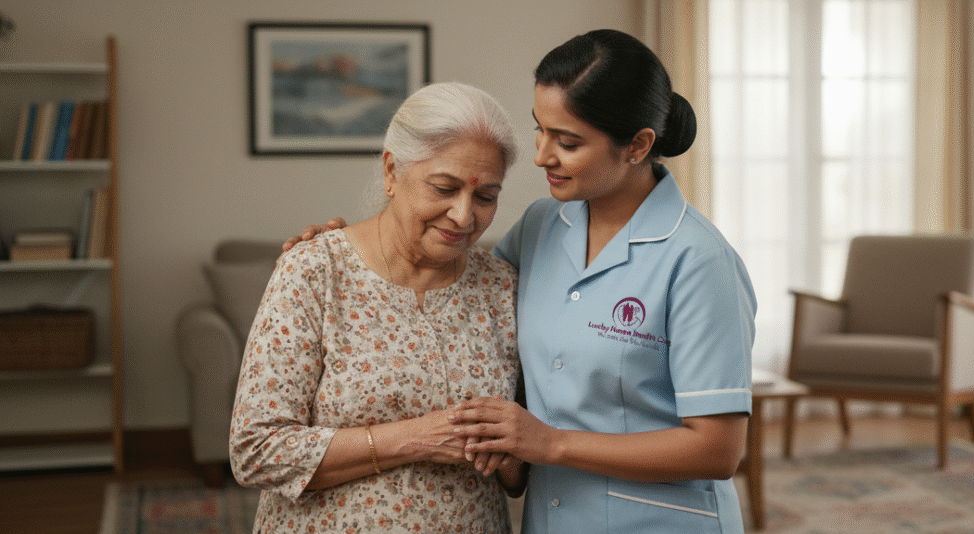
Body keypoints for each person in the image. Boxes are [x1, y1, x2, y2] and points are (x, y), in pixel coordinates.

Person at [285, 29, 756, 533]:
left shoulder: (700, 260)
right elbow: (458, 275)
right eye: (541, 130)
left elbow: (717, 450)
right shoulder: (542, 226)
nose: (541, 156)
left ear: (637, 146)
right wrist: (347, 246)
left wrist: (548, 443)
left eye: (568, 142)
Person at [230, 81, 526, 534]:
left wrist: (509, 455)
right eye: (444, 188)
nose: (464, 216)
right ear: (392, 172)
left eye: (485, 196)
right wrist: (417, 438)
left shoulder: (503, 286)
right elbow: (255, 452)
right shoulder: (314, 271)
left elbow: (522, 470)